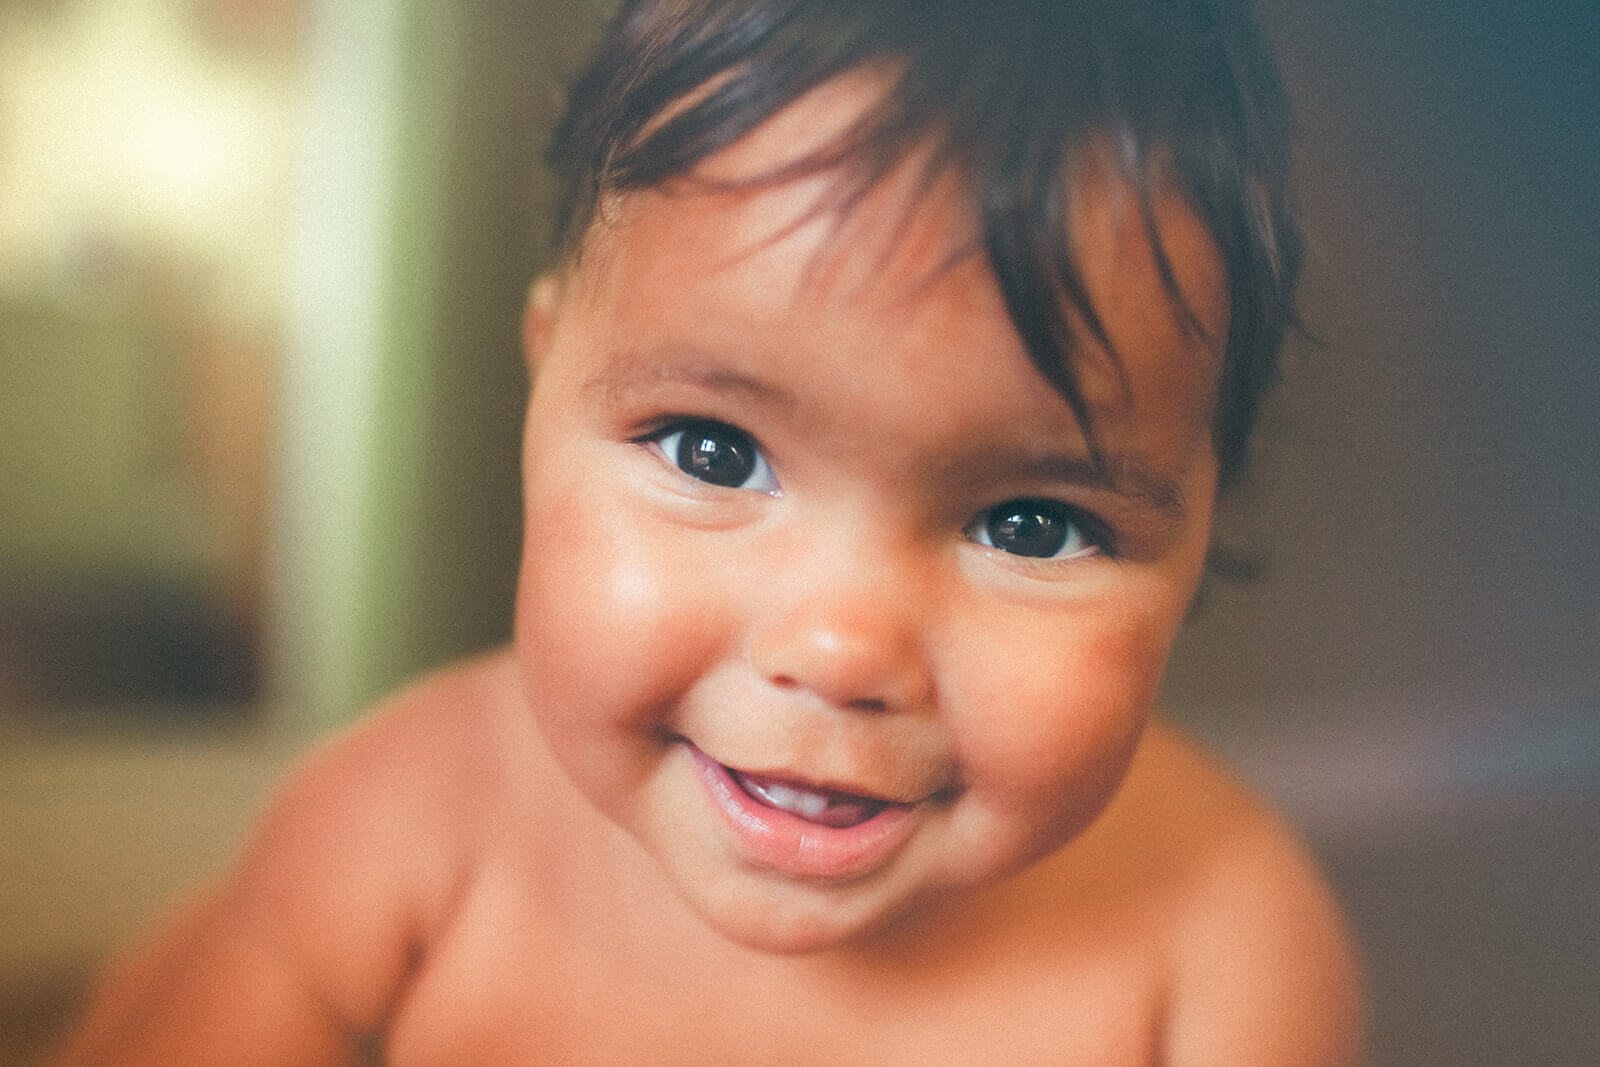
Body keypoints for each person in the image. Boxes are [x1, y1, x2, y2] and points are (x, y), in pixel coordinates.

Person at [55, 0, 1363, 1062]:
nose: (841, 649)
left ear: (1198, 534)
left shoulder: (1222, 946)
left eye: (1031, 523)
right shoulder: (402, 826)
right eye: (712, 452)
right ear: (542, 378)